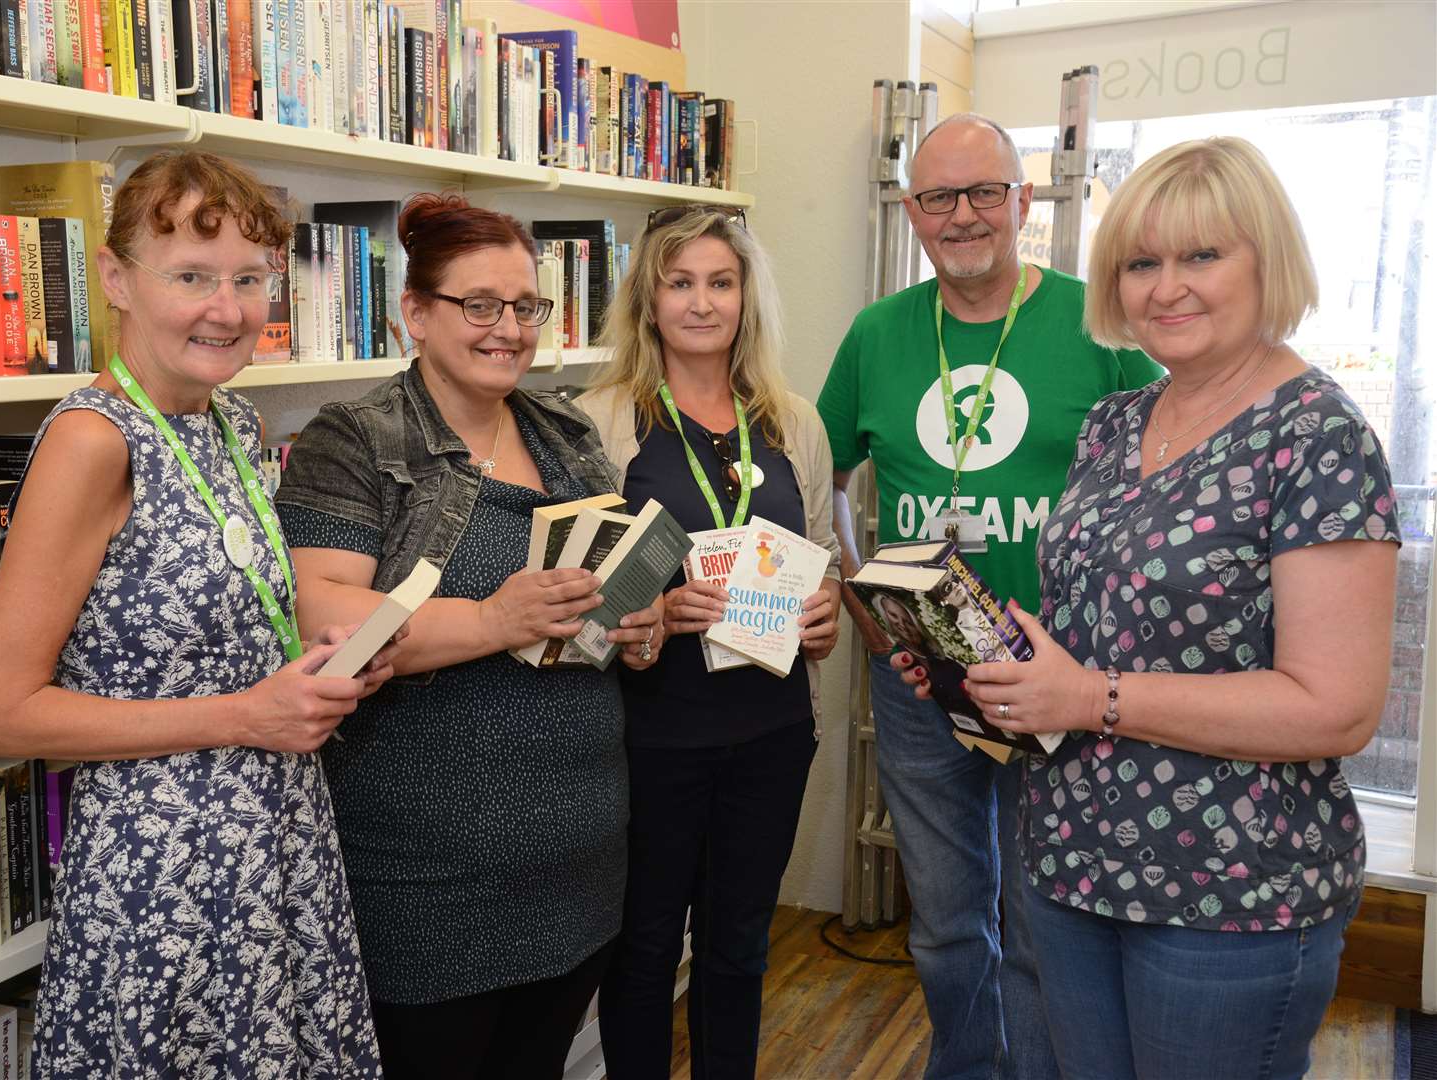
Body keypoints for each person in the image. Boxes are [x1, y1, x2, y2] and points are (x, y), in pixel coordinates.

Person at [904, 135, 1400, 1080]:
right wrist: (978, 662)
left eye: (1202, 256)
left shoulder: (1316, 435)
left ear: (1268, 262)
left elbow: (1335, 705)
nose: (1166, 287)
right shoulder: (1116, 423)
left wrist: (1091, 700)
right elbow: (1088, 637)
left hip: (1228, 898)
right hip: (1071, 866)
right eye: (1141, 263)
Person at [0, 150, 390, 1078]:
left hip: (276, 849)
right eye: (191, 277)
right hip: (162, 882)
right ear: (115, 279)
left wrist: (319, 657)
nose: (226, 309)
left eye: (248, 279)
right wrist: (247, 714)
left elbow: (216, 622)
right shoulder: (90, 440)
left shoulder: (227, 423)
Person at [275, 192, 664, 1080]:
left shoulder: (565, 432)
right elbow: (330, 620)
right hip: (427, 879)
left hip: (579, 861)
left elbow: (593, 598)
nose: (508, 330)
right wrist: (495, 620)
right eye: (479, 305)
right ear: (416, 312)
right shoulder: (354, 439)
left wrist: (633, 624)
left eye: (526, 307)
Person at [815, 113, 1163, 1080]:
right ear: (913, 212)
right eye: (938, 198)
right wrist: (862, 607)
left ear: (1023, 201)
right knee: (945, 925)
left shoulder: (1102, 321)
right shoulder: (878, 333)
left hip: (1053, 677)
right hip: (922, 680)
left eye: (983, 194)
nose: (962, 216)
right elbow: (823, 482)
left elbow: (1168, 475)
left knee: (1045, 923)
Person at [578, 204, 841, 1080]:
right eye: (679, 283)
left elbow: (823, 562)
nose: (701, 303)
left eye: (720, 283)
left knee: (739, 946)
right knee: (646, 949)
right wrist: (650, 607)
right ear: (648, 301)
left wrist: (826, 616)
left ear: (746, 296)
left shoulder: (792, 421)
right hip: (649, 736)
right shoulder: (602, 422)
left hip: (770, 733)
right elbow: (580, 599)